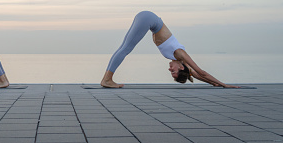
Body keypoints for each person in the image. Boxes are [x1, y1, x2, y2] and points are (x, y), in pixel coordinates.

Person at [101, 11, 239, 88]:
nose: (169, 69)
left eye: (171, 72)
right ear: (182, 67)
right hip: (149, 19)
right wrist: (224, 84)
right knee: (125, 48)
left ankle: (107, 79)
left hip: (147, 18)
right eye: (173, 71)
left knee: (123, 48)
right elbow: (201, 72)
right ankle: (107, 80)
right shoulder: (180, 54)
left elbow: (195, 75)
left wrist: (214, 84)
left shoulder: (179, 61)